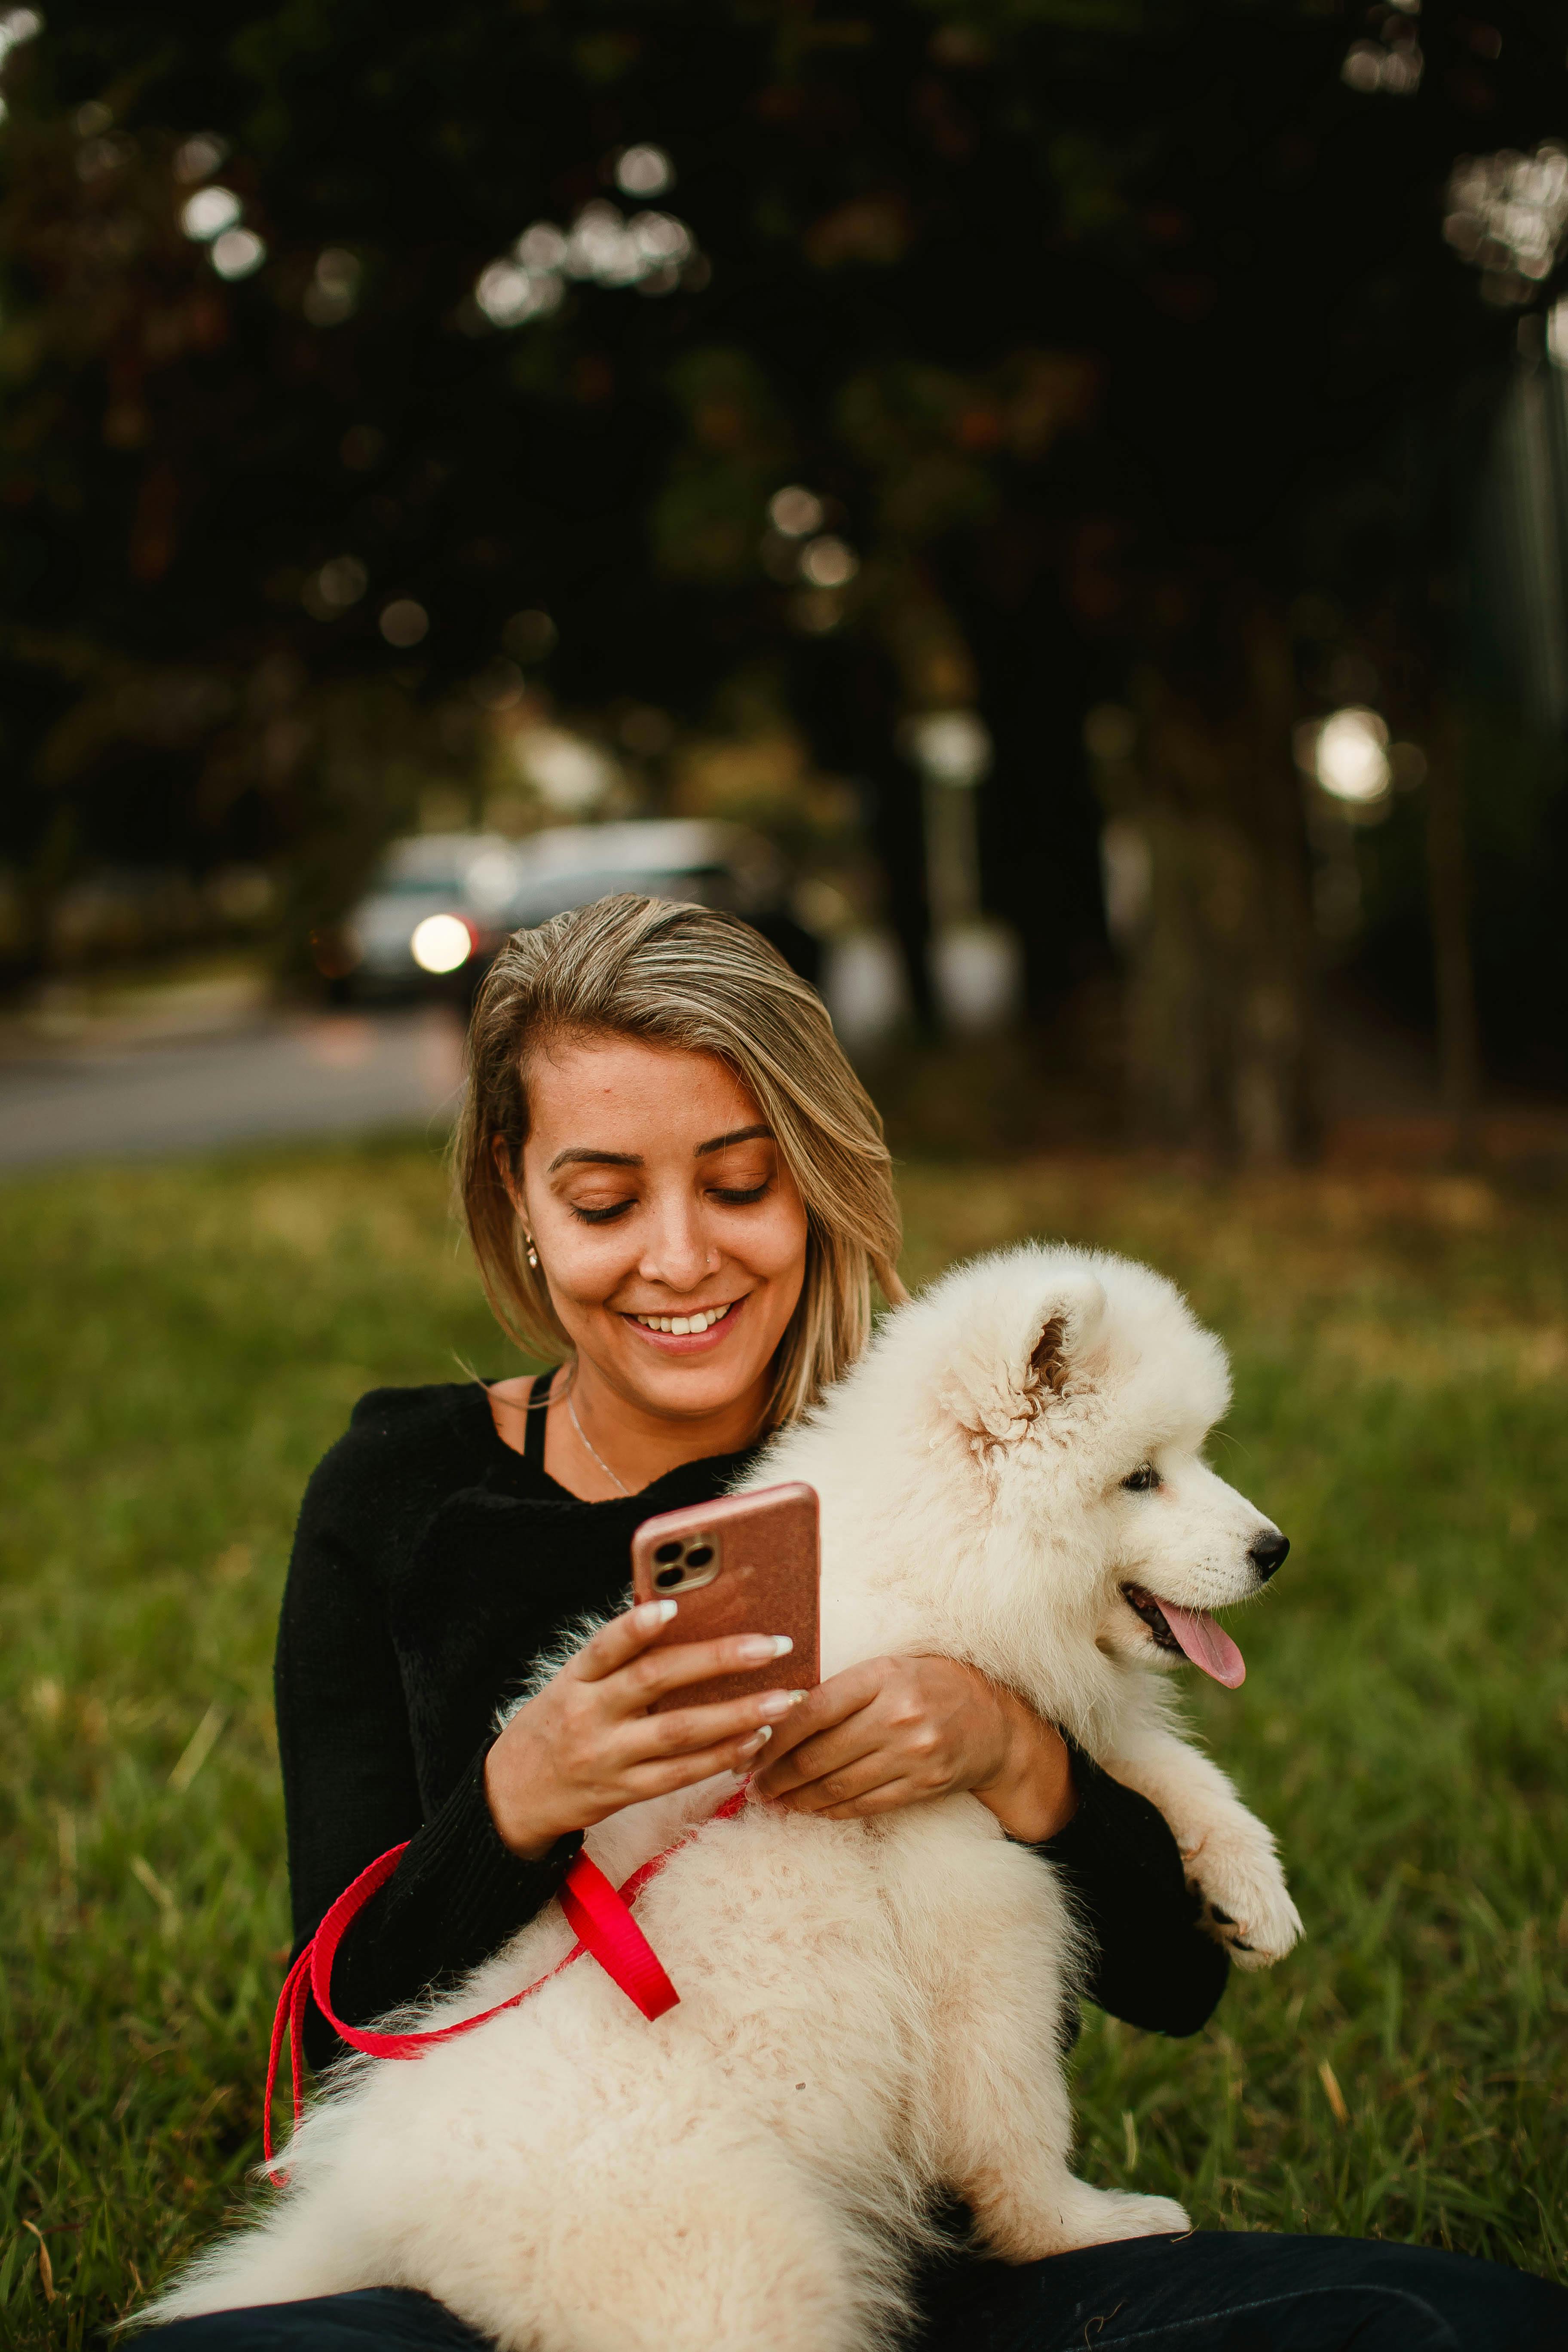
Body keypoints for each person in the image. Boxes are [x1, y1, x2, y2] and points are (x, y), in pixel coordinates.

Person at [144, 897, 1565, 2350]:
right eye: (605, 1199)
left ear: (815, 1181)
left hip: (929, 2260)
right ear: (516, 1191)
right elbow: (337, 2015)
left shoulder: (936, 1476)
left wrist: (1015, 1751)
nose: (681, 1257)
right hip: (558, 2194)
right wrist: (523, 1798)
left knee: (1449, 2325)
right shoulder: (401, 1495)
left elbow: (1177, 1983)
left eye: (741, 1184)